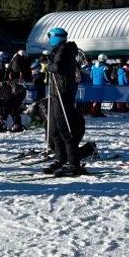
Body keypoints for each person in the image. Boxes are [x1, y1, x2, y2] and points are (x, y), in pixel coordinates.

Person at [45, 27, 86, 175]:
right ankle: (60, 158)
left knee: (65, 129)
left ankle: (74, 164)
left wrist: (48, 66)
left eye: (50, 36)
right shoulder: (60, 49)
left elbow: (59, 67)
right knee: (54, 129)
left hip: (63, 93)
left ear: (56, 37)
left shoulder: (65, 50)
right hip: (57, 93)